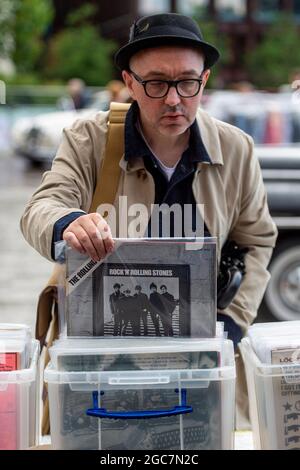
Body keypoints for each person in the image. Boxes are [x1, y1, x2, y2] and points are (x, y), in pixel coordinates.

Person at [20, 12, 277, 378]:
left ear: (204, 80)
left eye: (188, 83)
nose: (174, 99)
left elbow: (256, 240)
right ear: (130, 82)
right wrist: (68, 223)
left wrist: (230, 325)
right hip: (101, 358)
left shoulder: (235, 149)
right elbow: (40, 208)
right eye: (156, 84)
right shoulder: (88, 139)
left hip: (201, 354)